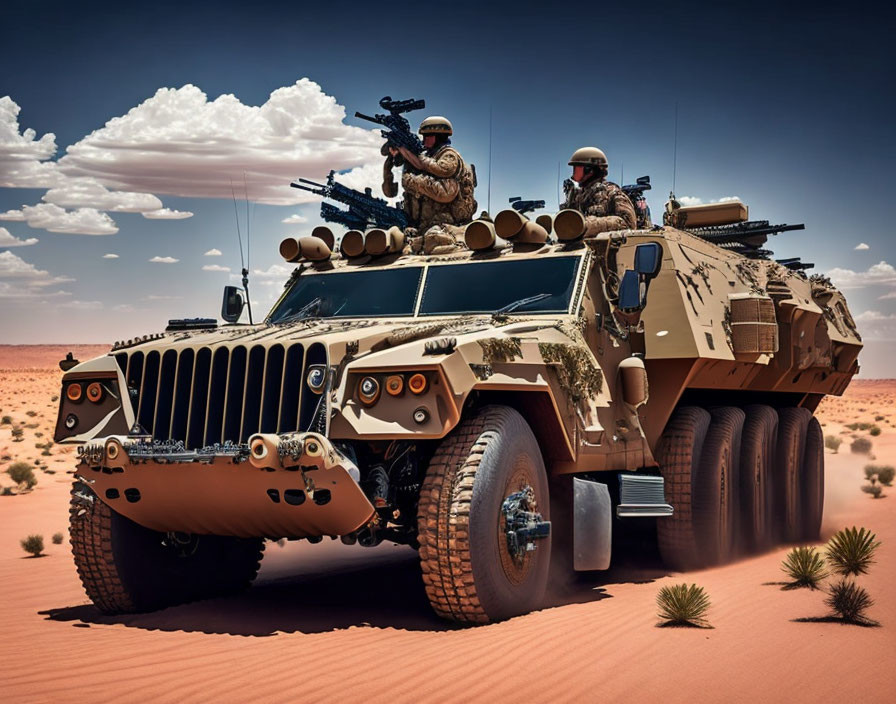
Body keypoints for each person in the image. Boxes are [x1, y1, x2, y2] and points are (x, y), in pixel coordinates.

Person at [382, 116, 477, 242]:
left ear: (438, 136)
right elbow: (390, 192)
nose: (424, 141)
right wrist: (398, 154)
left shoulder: (449, 154)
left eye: (428, 137)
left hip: (448, 226)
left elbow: (444, 172)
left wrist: (412, 175)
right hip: (421, 228)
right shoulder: (426, 157)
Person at [562, 147, 637, 234]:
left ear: (590, 170)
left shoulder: (612, 193)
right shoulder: (578, 196)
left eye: (578, 170)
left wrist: (587, 225)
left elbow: (628, 223)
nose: (574, 176)